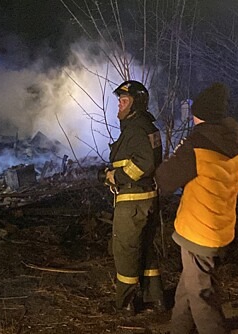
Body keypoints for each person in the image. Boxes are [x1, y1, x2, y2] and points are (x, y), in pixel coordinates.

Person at [155, 82, 238, 334]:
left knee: (202, 297)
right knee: (189, 284)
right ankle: (179, 328)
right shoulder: (232, 140)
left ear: (201, 115)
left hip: (199, 231)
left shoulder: (197, 144)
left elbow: (164, 180)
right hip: (221, 226)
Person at [104, 80, 165, 314]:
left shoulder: (136, 127)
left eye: (124, 100)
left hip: (132, 200)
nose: (119, 104)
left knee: (125, 248)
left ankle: (126, 302)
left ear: (136, 103)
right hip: (147, 197)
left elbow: (145, 163)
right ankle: (156, 297)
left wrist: (115, 177)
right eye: (119, 100)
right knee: (146, 247)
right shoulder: (146, 125)